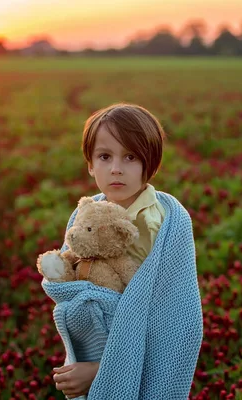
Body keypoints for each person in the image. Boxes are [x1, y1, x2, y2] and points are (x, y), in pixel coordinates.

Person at [47, 103, 203, 399]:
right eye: (105, 156)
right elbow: (75, 283)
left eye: (130, 156)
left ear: (150, 164)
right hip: (93, 350)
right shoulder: (86, 212)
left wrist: (100, 370)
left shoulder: (162, 221)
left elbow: (164, 317)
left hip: (129, 355)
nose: (116, 168)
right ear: (90, 164)